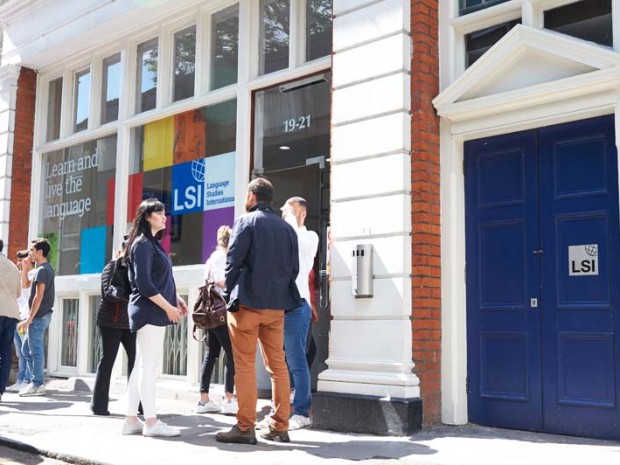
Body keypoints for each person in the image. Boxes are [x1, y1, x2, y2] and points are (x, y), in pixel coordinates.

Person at [215, 178, 301, 445]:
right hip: (276, 307)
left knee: (244, 365)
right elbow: (294, 269)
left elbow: (233, 262)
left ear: (252, 196)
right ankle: (279, 426)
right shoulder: (287, 228)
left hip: (247, 304)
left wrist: (228, 294)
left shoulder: (246, 221)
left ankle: (245, 427)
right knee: (278, 366)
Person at [122, 198, 188, 438]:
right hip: (149, 311)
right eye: (159, 213)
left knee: (141, 365)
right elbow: (145, 284)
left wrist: (176, 298)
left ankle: (131, 420)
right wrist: (168, 307)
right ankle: (151, 422)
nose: (164, 217)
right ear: (147, 216)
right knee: (148, 368)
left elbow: (160, 278)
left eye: (164, 213)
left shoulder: (151, 243)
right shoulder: (142, 244)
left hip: (150, 310)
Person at [280, 197, 319, 430]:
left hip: (297, 306)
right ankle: (280, 411)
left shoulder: (309, 236)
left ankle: (302, 412)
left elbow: (296, 242)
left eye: (291, 211)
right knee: (279, 363)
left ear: (302, 213)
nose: (286, 214)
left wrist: (291, 220)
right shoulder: (285, 234)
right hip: (278, 306)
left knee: (296, 361)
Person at [91, 238, 138, 416]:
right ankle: (99, 405)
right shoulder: (112, 266)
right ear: (122, 250)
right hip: (110, 320)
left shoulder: (135, 269)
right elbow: (107, 292)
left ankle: (138, 404)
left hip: (129, 321)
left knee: (136, 361)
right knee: (108, 360)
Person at [196, 225, 238, 415]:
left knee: (211, 353)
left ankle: (204, 399)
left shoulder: (212, 257)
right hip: (220, 313)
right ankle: (229, 397)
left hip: (210, 313)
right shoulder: (221, 257)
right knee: (232, 352)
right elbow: (221, 281)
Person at [18, 238, 55, 397]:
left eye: (32, 250)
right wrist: (25, 268)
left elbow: (38, 296)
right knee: (26, 349)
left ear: (40, 252)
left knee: (36, 351)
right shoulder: (43, 269)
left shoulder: (42, 270)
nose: (30, 253)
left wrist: (29, 318)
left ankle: (38, 384)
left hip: (38, 317)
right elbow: (25, 285)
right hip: (40, 316)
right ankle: (35, 381)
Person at [5, 250, 34, 393]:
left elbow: (25, 289)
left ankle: (27, 379)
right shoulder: (18, 275)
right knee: (20, 352)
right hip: (17, 317)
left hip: (25, 318)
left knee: (26, 351)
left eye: (21, 260)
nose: (18, 263)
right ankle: (21, 379)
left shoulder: (32, 275)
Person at [0, 239, 21, 402]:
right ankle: (1, 389)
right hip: (11, 313)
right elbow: (18, 293)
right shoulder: (13, 266)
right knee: (6, 352)